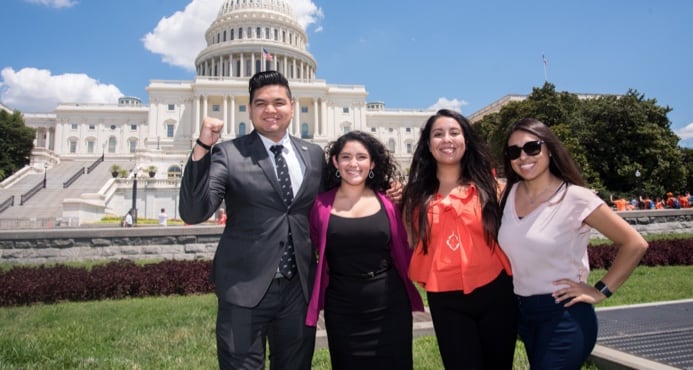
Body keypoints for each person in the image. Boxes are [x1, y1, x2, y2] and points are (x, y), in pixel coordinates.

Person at [179, 71, 326, 370]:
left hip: (299, 290)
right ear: (250, 109)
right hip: (243, 288)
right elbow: (194, 212)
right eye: (261, 103)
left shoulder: (314, 155)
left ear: (293, 106)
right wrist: (203, 147)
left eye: (278, 102)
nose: (270, 110)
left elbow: (334, 204)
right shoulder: (229, 153)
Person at [497, 118, 649, 369]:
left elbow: (634, 243)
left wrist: (600, 290)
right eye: (514, 151)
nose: (523, 157)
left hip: (564, 315)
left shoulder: (575, 197)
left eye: (532, 147)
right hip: (524, 314)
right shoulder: (509, 194)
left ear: (549, 149)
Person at [401, 109, 517, 369]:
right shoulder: (415, 196)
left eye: (454, 132)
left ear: (466, 140)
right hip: (446, 298)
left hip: (495, 292)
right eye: (438, 134)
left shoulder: (492, 188)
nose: (447, 139)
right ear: (428, 145)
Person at [306, 131, 424, 369]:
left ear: (372, 163)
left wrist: (406, 198)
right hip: (342, 307)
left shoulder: (390, 201)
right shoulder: (320, 205)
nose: (354, 163)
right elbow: (314, 245)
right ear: (335, 162)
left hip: (389, 304)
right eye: (346, 157)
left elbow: (410, 240)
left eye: (361, 157)